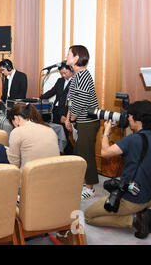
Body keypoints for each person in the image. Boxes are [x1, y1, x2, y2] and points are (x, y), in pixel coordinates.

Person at [84, 100, 151, 239]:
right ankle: (142, 213)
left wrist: (106, 131)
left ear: (137, 119)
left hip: (131, 200)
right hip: (147, 198)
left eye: (130, 115)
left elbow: (105, 152)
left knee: (88, 216)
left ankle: (135, 220)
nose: (127, 118)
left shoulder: (132, 140)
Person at [64, 45, 99, 200]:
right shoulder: (77, 76)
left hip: (88, 122)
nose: (66, 57)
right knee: (80, 153)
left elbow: (81, 102)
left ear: (76, 58)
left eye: (69, 54)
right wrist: (68, 116)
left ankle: (90, 188)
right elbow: (72, 100)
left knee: (86, 154)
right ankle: (84, 184)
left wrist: (71, 119)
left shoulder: (83, 75)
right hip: (80, 120)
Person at [7, 103, 60, 168]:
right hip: (54, 175)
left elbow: (14, 165)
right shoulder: (50, 129)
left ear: (16, 118)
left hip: (30, 176)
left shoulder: (17, 132)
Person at [40, 62, 74, 154]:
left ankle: (72, 157)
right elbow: (52, 91)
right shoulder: (60, 81)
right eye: (61, 73)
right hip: (56, 111)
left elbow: (73, 102)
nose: (63, 75)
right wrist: (40, 98)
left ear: (71, 71)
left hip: (66, 113)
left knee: (65, 138)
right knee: (54, 135)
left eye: (65, 73)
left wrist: (68, 118)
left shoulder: (75, 82)